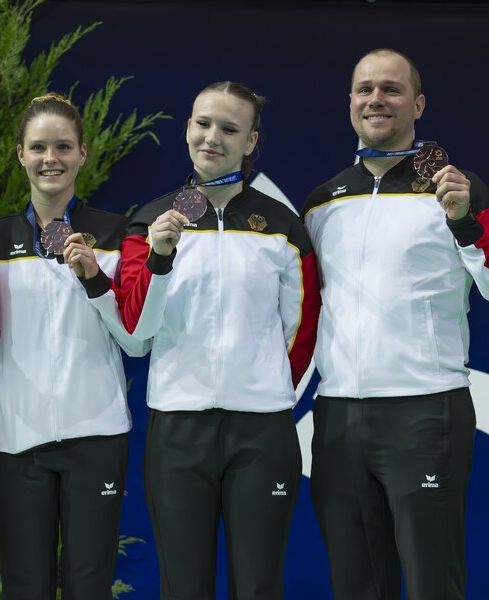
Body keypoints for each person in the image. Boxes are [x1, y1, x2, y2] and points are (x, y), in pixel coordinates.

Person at [119, 81, 321, 600]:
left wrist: (264, 387)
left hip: (263, 433)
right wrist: (161, 255)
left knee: (258, 585)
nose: (213, 137)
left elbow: (301, 331)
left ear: (251, 142)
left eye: (230, 129)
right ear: (187, 128)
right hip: (178, 430)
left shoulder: (282, 227)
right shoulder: (150, 220)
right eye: (203, 123)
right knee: (183, 587)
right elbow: (136, 330)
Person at [302, 48, 489, 600]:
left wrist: (463, 224)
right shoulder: (322, 202)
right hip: (337, 419)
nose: (376, 99)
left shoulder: (460, 189)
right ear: (351, 103)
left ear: (419, 103)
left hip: (425, 410)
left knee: (433, 584)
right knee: (355, 585)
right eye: (364, 89)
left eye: (391, 88)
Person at [0, 93, 149, 600]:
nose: (51, 158)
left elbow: (135, 341)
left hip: (96, 435)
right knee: (23, 586)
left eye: (63, 147)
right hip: (16, 440)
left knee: (88, 586)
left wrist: (95, 277)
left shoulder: (117, 233)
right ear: (20, 154)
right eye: (39, 147)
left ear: (83, 154)